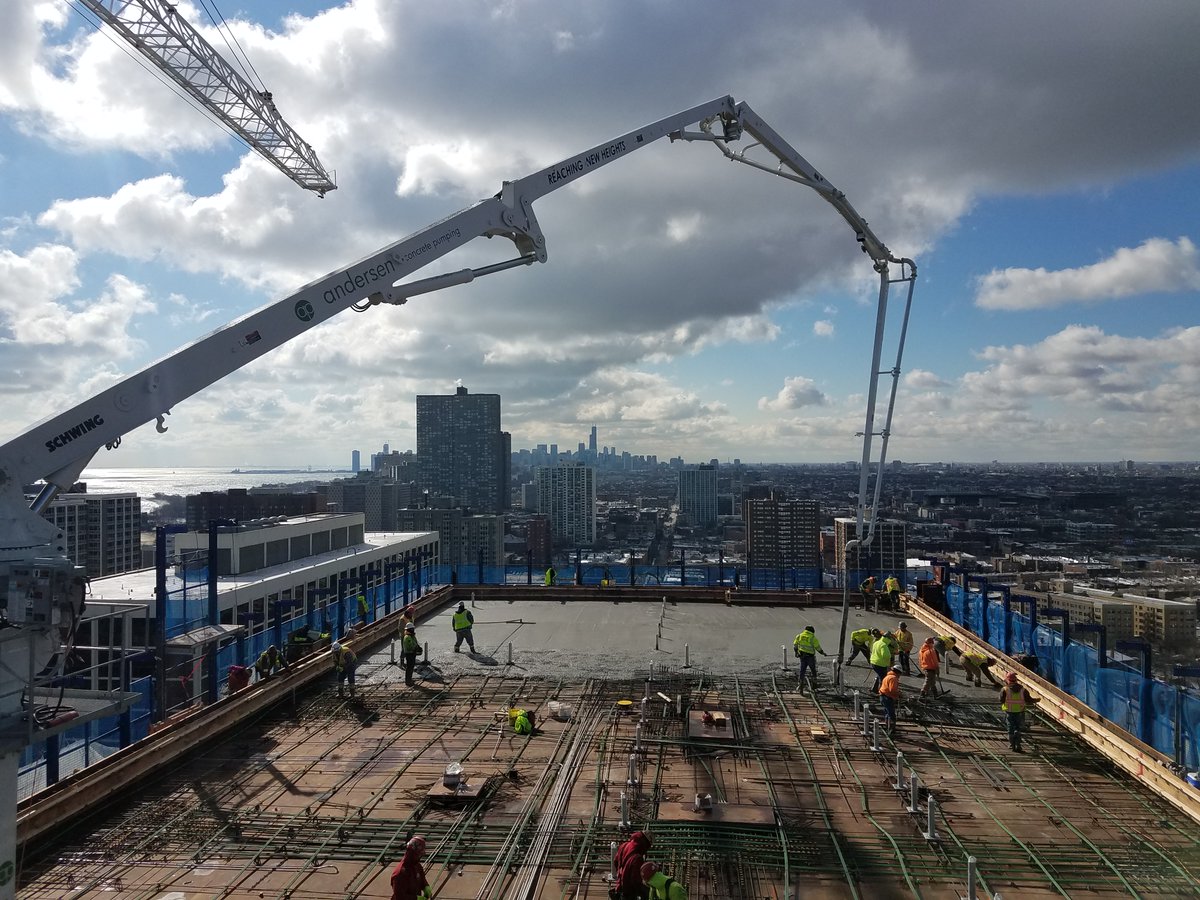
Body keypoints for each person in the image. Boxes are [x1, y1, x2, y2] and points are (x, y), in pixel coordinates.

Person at [999, 673, 1038, 751]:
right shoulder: (1023, 690)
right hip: (1020, 711)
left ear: (1007, 680)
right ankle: (1018, 740)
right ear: (1016, 680)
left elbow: (1001, 700)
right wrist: (1036, 700)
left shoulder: (1005, 689)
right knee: (1018, 726)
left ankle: (1011, 744)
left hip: (1009, 711)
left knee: (1010, 727)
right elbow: (1029, 700)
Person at [390, 834, 431, 900]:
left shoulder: (417, 866)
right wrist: (416, 898)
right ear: (413, 853)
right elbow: (399, 897)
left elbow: (421, 878)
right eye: (419, 854)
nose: (420, 856)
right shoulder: (400, 873)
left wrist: (426, 886)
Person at [613, 831, 652, 899]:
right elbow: (635, 880)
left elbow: (616, 861)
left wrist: (621, 874)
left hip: (619, 886)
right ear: (645, 843)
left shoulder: (624, 845)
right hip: (628, 891)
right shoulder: (638, 858)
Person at [878, 665, 902, 735]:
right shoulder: (893, 678)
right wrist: (899, 694)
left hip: (883, 696)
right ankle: (891, 730)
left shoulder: (888, 676)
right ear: (898, 672)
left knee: (887, 712)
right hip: (887, 697)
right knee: (891, 715)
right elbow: (892, 690)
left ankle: (887, 726)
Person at [401, 622, 423, 687]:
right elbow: (409, 646)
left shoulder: (412, 636)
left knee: (411, 667)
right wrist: (415, 649)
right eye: (412, 629)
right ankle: (408, 681)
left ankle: (409, 679)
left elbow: (415, 643)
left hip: (412, 653)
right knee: (409, 667)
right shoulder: (407, 637)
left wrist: (418, 647)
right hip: (409, 654)